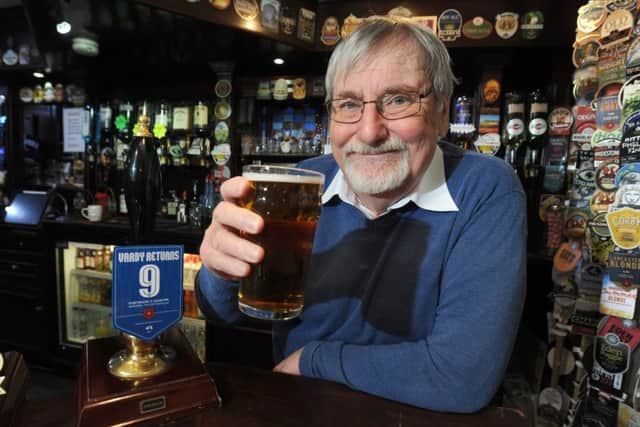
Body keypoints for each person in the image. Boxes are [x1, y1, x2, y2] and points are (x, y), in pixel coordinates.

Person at [197, 17, 526, 413]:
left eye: (399, 99)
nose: (370, 131)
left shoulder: (483, 187)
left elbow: (461, 377)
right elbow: (221, 313)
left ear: (441, 112)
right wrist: (217, 272)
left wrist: (312, 359)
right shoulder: (302, 184)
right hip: (302, 412)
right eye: (349, 104)